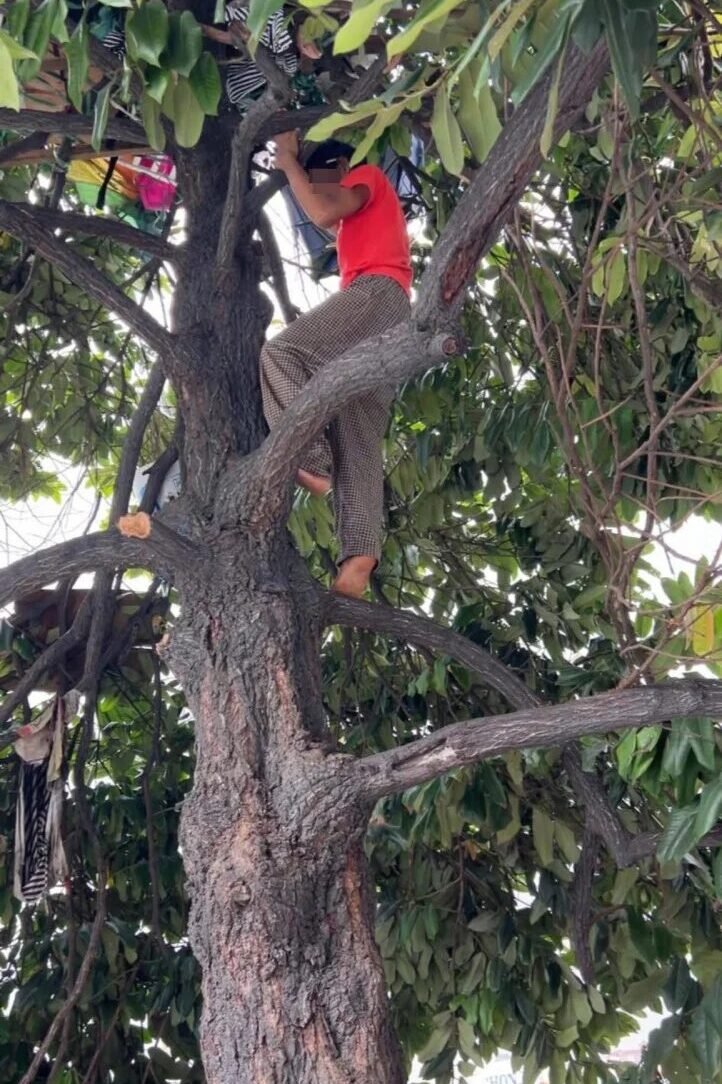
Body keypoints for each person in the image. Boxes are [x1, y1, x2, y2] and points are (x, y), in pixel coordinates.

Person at [260, 133, 412, 599]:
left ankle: (312, 459)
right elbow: (324, 216)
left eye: (321, 175)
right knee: (358, 427)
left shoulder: (367, 178)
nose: (315, 187)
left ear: (342, 165)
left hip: (377, 295)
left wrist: (288, 161)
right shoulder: (357, 225)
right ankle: (360, 554)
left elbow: (324, 209)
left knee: (282, 353)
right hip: (391, 314)